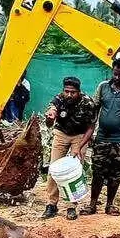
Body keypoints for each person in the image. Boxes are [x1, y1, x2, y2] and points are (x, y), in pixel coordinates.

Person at [77, 58, 120, 216]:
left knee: (115, 173)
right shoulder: (103, 87)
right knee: (97, 172)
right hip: (102, 138)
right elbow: (95, 109)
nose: (117, 77)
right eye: (115, 74)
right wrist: (90, 132)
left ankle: (110, 205)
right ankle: (92, 205)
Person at [42, 77, 96, 220]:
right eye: (67, 91)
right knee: (53, 169)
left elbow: (91, 127)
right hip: (61, 134)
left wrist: (79, 146)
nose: (69, 95)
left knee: (74, 171)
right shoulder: (58, 99)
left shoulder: (88, 103)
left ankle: (71, 206)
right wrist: (50, 117)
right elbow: (50, 120)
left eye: (73, 92)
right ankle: (51, 204)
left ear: (79, 91)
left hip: (80, 136)